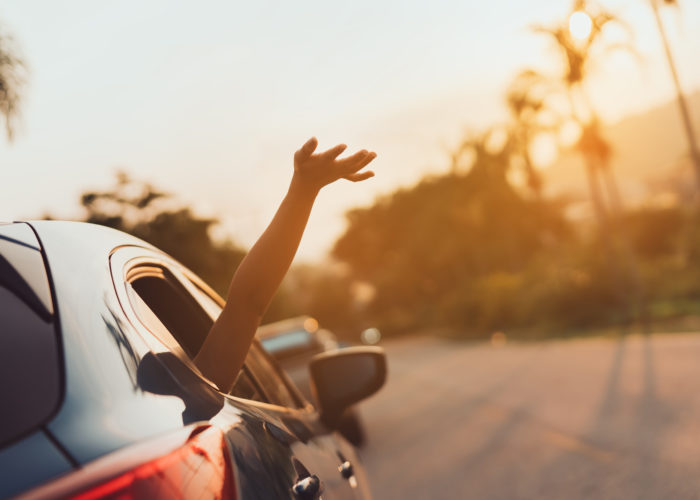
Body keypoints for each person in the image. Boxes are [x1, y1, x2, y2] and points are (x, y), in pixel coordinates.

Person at [194, 137, 377, 392]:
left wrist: (305, 189)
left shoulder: (193, 396)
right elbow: (247, 304)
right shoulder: (193, 399)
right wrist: (304, 189)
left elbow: (247, 304)